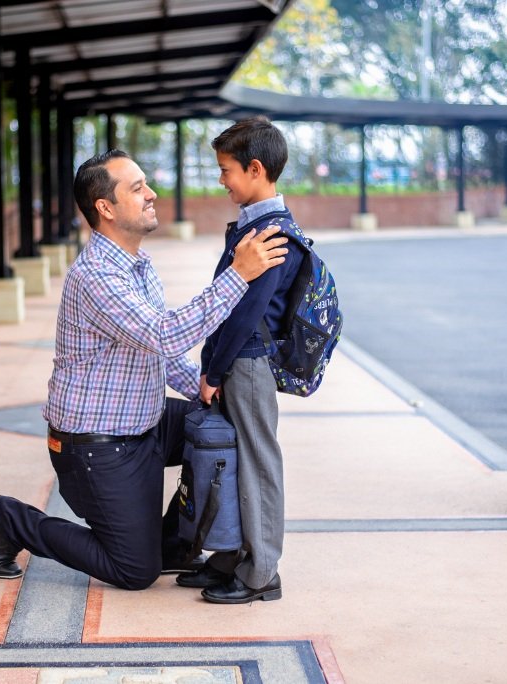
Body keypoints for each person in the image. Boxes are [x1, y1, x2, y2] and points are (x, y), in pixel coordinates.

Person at [0, 149, 289, 591]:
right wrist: (238, 275)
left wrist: (203, 384)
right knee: (134, 571)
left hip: (146, 423)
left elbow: (154, 353)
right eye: (138, 188)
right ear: (105, 208)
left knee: (223, 427)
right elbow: (164, 334)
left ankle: (174, 542)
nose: (153, 194)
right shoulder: (97, 276)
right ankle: (12, 520)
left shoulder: (138, 265)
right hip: (96, 447)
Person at [175, 117, 304, 604]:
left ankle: (261, 572)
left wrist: (213, 371)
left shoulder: (272, 234)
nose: (222, 180)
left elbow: (246, 315)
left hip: (247, 365)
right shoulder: (256, 226)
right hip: (237, 363)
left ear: (255, 169)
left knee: (257, 462)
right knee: (232, 459)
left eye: (226, 170)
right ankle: (229, 556)